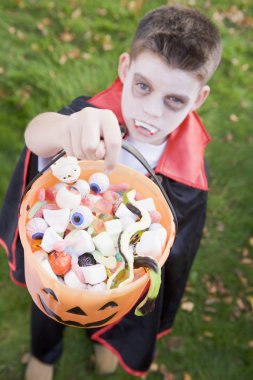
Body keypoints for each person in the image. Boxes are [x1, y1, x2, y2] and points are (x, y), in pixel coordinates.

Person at [0, 5, 222, 380]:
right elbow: (37, 134)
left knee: (128, 304)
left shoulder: (190, 174)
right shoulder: (91, 119)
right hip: (61, 255)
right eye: (143, 86)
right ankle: (45, 353)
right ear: (124, 69)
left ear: (198, 99)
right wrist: (67, 128)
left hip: (123, 273)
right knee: (50, 302)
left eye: (174, 100)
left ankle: (107, 338)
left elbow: (171, 256)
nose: (150, 113)